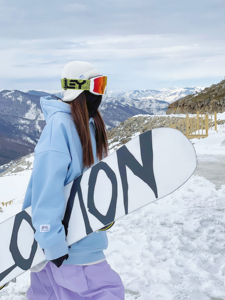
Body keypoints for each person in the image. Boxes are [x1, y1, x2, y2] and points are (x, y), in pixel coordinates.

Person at [22, 61, 124, 300]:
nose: (102, 93)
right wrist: (51, 240)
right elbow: (47, 187)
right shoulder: (60, 127)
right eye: (98, 85)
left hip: (75, 239)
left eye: (104, 85)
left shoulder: (89, 124)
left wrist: (102, 214)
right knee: (106, 292)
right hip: (69, 248)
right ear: (79, 87)